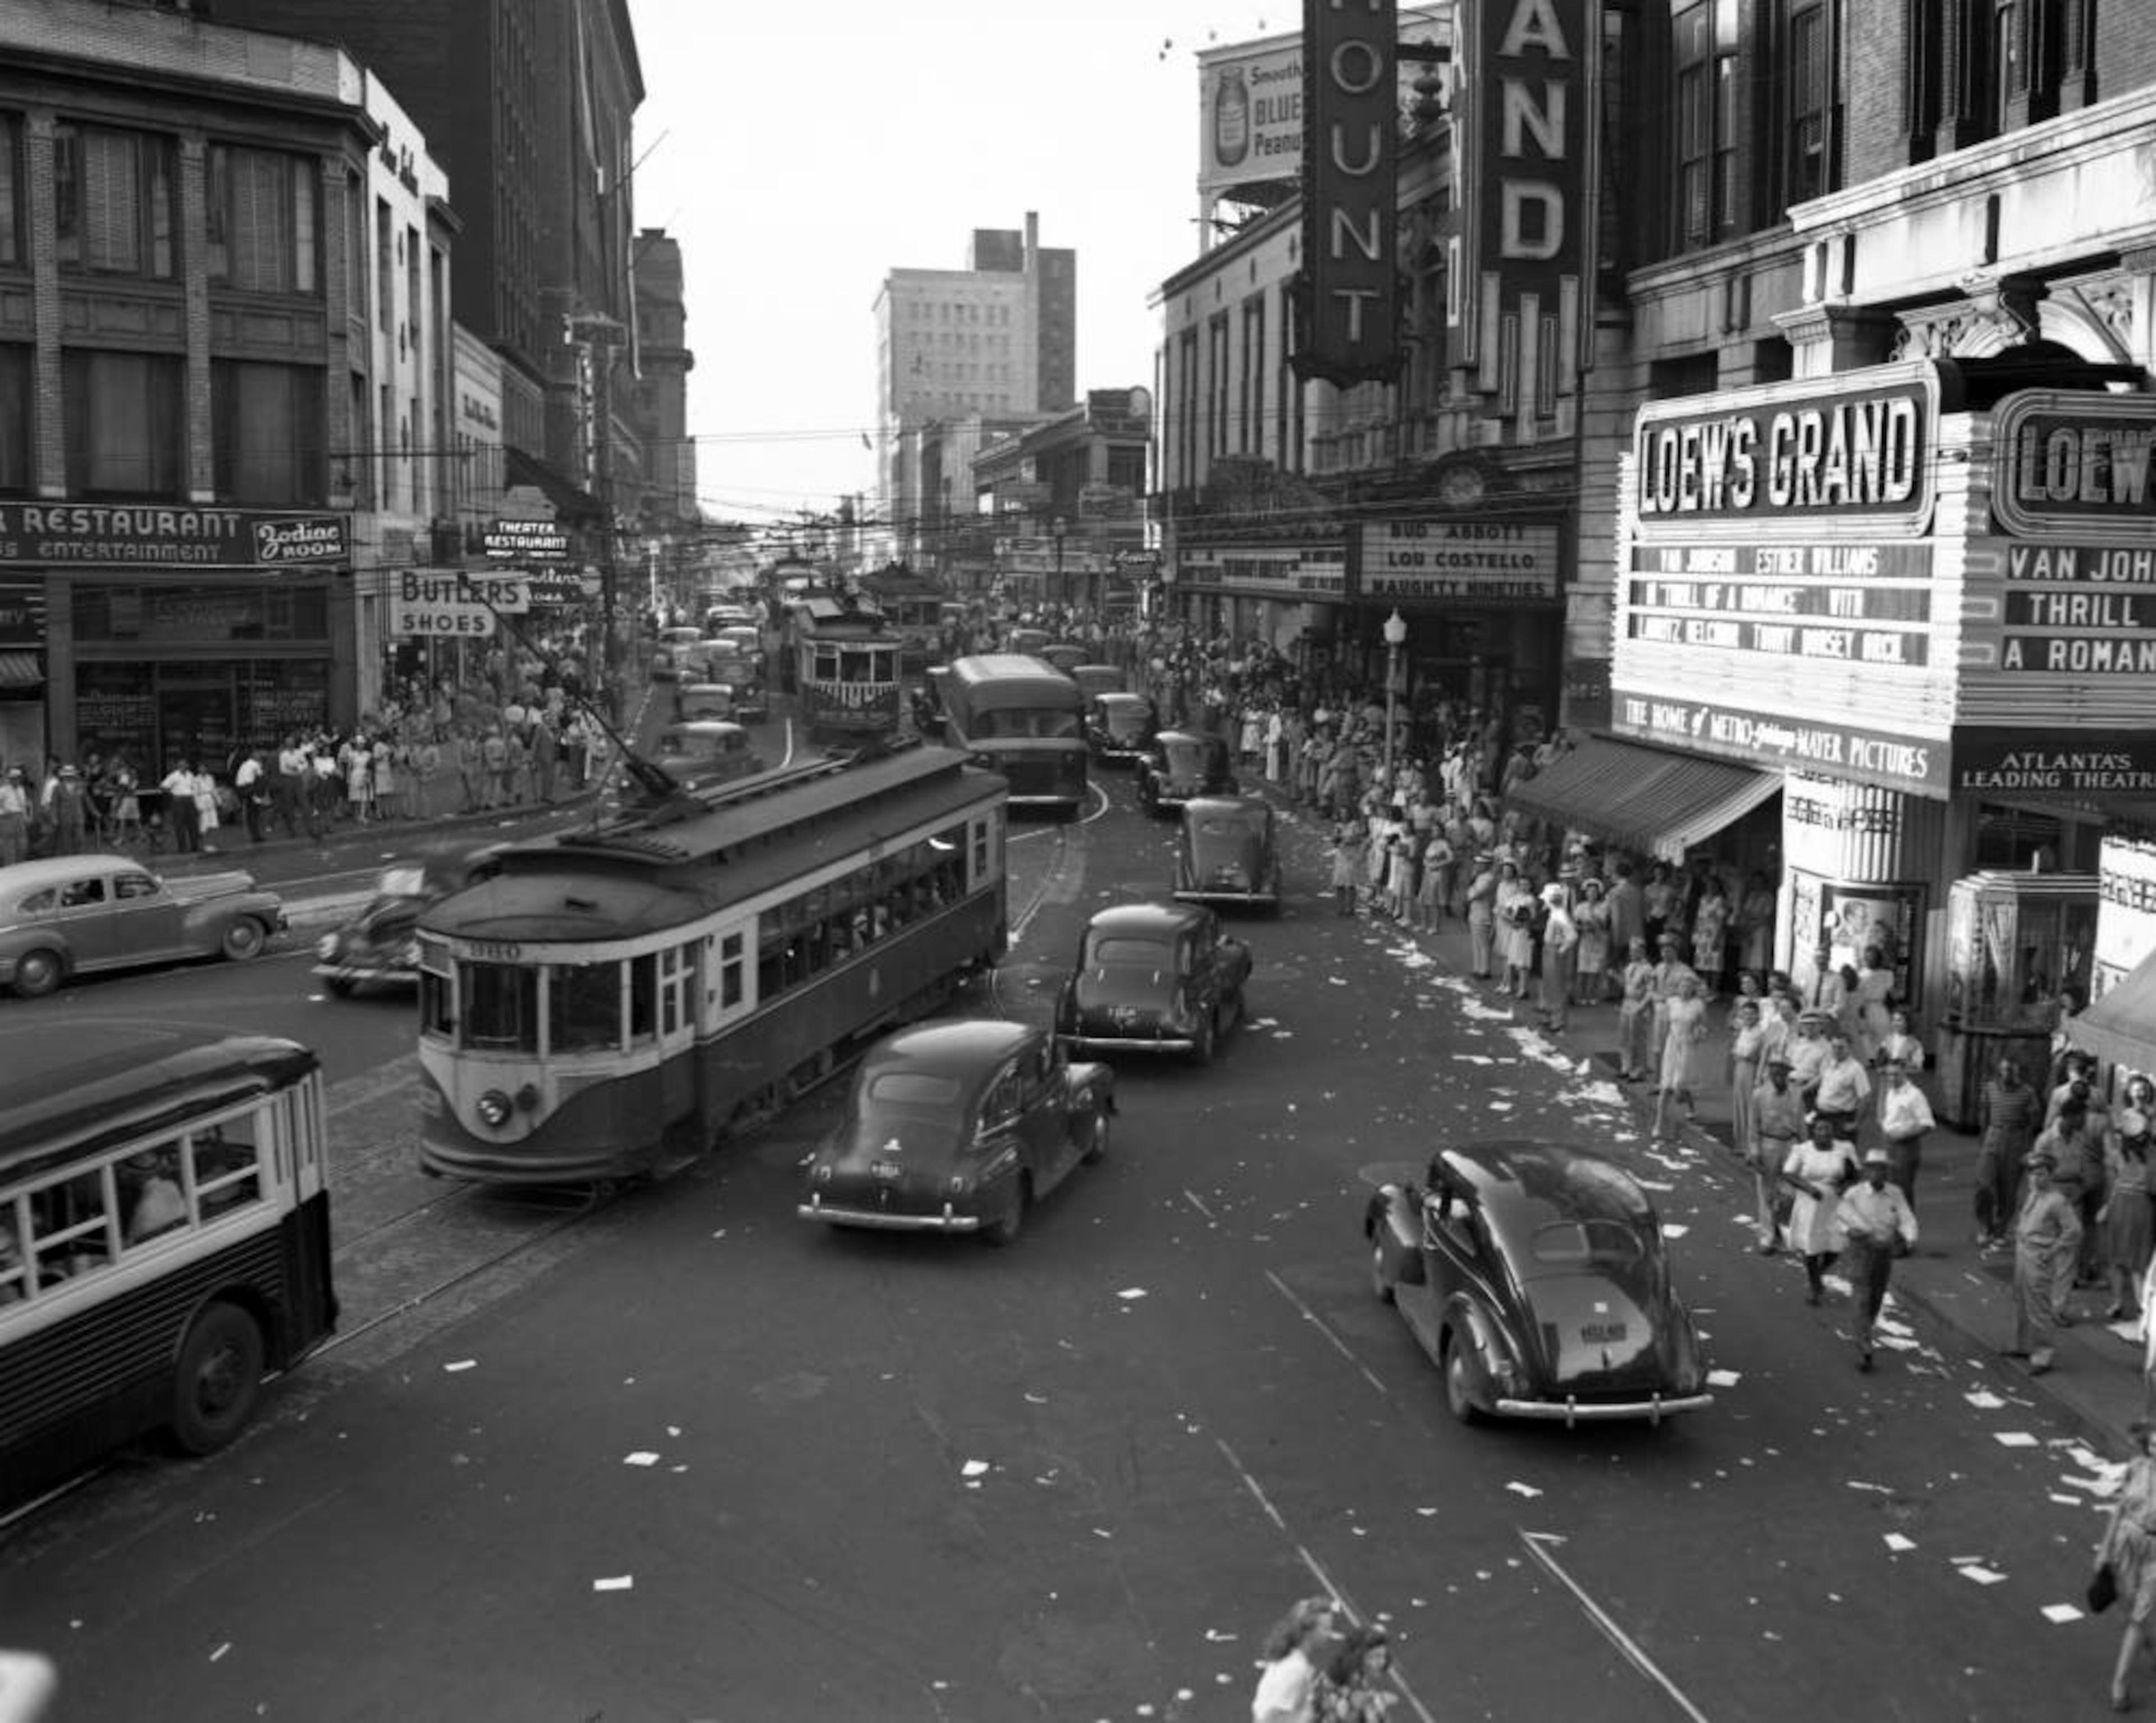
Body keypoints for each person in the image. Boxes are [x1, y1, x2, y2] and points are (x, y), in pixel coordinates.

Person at [1837, 1146, 1918, 1370]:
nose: (1877, 1174)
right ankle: (1864, 1345)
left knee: (1876, 1297)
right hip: (1861, 1251)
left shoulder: (1895, 1193)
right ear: (1867, 1172)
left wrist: (1910, 1237)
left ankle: (1865, 1330)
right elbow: (1840, 1218)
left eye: (1881, 1170)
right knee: (1862, 1295)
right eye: (1873, 1170)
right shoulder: (1854, 1194)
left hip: (1883, 1252)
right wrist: (1847, 1231)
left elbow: (1906, 1217)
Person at [2096, 1420, 2156, 1712]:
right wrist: (2105, 1549)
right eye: (2154, 1444)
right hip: (2126, 1542)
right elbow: (2119, 1508)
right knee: (2129, 1605)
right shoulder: (2136, 1467)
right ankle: (2150, 1642)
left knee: (2139, 1616)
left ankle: (2119, 1685)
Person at [2009, 1151, 2080, 1375]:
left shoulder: (2056, 1201)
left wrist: (2052, 1251)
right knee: (2022, 1301)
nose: (2035, 1179)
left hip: (2039, 1255)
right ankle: (2023, 1345)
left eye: (2041, 1174)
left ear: (2050, 1175)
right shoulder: (2033, 1193)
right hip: (2023, 1252)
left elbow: (2074, 1230)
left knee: (2039, 1307)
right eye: (2032, 1174)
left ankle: (2042, 1356)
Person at [1783, 1116, 1858, 1305]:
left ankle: (1817, 1274)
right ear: (1813, 1132)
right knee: (1812, 1247)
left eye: (1827, 1129)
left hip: (1835, 1203)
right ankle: (1815, 1287)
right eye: (1820, 1129)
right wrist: (1809, 1188)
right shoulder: (1802, 1150)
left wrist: (1846, 1185)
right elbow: (1788, 1173)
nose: (1824, 1133)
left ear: (1833, 1132)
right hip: (1810, 1203)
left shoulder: (1845, 1149)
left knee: (1836, 1245)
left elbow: (1856, 1173)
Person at [1975, 1055, 2043, 1249]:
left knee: (2009, 1190)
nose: (2007, 1075)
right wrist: (1983, 1141)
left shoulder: (2027, 1093)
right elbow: (1984, 1115)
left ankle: (2000, 1229)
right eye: (2004, 1070)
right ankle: (1984, 1226)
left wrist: (2026, 1141)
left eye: (2011, 1071)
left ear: (2017, 1073)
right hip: (1993, 1136)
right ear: (1999, 1071)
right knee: (1984, 1185)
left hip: (2016, 1140)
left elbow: (2034, 1117)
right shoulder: (1989, 1088)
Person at [2102, 1096, 2155, 1323]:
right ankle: (2143, 1307)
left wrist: (2106, 1207)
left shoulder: (2117, 1156)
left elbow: (2112, 1184)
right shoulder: (2153, 1156)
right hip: (2144, 1208)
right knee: (2139, 1262)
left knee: (2117, 1258)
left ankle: (2117, 1302)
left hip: (2120, 1206)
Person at [1751, 1055, 1807, 1253]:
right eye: (1774, 1071)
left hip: (1791, 1144)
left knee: (1790, 1193)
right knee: (1766, 1192)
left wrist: (1805, 1150)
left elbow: (1801, 1124)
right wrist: (1754, 1152)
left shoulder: (1797, 1095)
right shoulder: (1759, 1095)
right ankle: (1767, 1236)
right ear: (1769, 1072)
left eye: (1782, 1071)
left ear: (1787, 1073)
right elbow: (1753, 1126)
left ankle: (1785, 1235)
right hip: (1768, 1144)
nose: (1778, 1075)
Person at [1252, 1597, 1339, 1723]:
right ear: (1309, 1631)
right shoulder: (1296, 1669)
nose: (1329, 1634)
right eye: (1325, 1629)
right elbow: (1270, 1718)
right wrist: (1310, 1713)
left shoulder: (1288, 1659)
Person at [1875, 1058, 1936, 1225]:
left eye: (1896, 1074)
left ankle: (1907, 1232)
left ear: (1905, 1073)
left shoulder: (1915, 1095)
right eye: (1889, 1075)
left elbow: (1928, 1124)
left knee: (1902, 1192)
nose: (1892, 1079)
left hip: (1906, 1148)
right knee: (1888, 1190)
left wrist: (1902, 1135)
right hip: (1888, 1144)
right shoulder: (1890, 1092)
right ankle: (1893, 1230)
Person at [1655, 971, 1710, 1141]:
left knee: (1680, 1086)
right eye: (1682, 986)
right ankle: (1658, 1124)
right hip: (1672, 1045)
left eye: (1689, 986)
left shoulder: (1698, 1005)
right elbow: (1664, 1022)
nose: (1685, 989)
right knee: (1666, 1086)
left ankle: (1691, 1106)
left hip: (1688, 1045)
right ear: (1678, 988)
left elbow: (1706, 1027)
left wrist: (1698, 1036)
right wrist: (1660, 1043)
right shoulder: (1672, 1002)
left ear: (1693, 989)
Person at [1314, 1624, 1394, 1722]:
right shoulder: (1332, 1691)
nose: (1382, 1662)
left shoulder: (1358, 1679)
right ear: (1359, 1657)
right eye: (1376, 1656)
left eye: (1383, 1656)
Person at [1811, 1029, 1872, 1137]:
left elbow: (1866, 1098)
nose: (1836, 1051)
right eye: (1834, 1047)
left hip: (1841, 1119)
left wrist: (1856, 1123)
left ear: (1850, 1048)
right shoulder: (1828, 1063)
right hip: (1822, 1115)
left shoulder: (1856, 1069)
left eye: (1841, 1048)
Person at [1537, 882, 1577, 1033]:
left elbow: (1572, 936)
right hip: (1550, 949)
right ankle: (1552, 1018)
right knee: (1550, 985)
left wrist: (1561, 950)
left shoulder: (1560, 915)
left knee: (1557, 987)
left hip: (1555, 950)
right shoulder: (1555, 913)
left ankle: (1558, 1022)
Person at [1616, 936, 1655, 1082]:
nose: (1633, 954)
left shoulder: (1648, 969)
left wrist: (1643, 1006)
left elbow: (1651, 991)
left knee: (1637, 1039)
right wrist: (1616, 977)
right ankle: (1626, 1067)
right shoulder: (1630, 967)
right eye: (1631, 951)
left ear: (1643, 952)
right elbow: (1627, 986)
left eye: (1636, 951)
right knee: (1624, 1037)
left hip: (1639, 1005)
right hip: (1627, 1003)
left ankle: (1639, 1070)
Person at [1494, 861, 1536, 998]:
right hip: (1514, 931)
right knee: (1513, 959)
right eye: (1522, 884)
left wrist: (1518, 921)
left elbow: (1532, 917)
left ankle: (1523, 989)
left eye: (1526, 885)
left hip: (1524, 932)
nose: (1524, 887)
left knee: (1523, 961)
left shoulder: (1530, 900)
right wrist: (1510, 919)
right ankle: (1511, 985)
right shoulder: (1515, 898)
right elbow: (1506, 911)